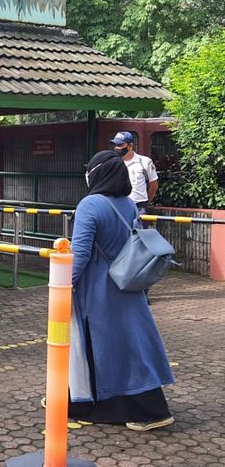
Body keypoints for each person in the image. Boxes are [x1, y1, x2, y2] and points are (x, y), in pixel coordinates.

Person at [68, 150, 174, 431]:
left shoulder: (90, 205)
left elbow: (79, 253)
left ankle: (119, 407)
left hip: (98, 290)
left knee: (99, 346)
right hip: (128, 282)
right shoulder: (127, 203)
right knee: (133, 345)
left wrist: (65, 285)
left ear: (97, 173)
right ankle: (149, 406)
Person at [110, 131, 159, 226]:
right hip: (118, 207)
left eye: (120, 145)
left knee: (139, 236)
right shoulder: (112, 163)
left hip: (139, 207)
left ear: (130, 146)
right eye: (115, 145)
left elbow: (153, 186)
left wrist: (144, 203)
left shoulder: (144, 162)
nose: (117, 148)